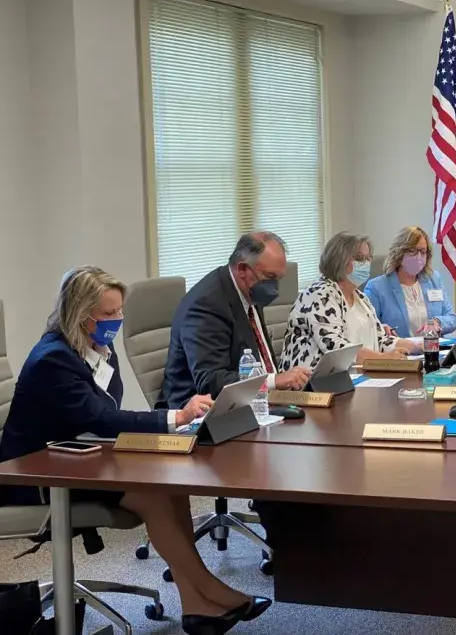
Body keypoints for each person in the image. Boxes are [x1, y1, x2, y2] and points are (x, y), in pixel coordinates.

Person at [0, 266, 269, 634]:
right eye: (108, 313)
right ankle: (210, 591)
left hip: (81, 457)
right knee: (152, 496)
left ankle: (196, 605)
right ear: (80, 314)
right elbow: (102, 418)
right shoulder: (54, 359)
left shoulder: (96, 347)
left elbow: (103, 415)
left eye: (119, 310)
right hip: (35, 476)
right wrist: (176, 417)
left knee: (171, 483)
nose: (117, 319)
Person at [160, 232, 312, 409]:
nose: (275, 288)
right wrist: (274, 380)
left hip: (255, 401)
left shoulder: (248, 289)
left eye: (279, 279)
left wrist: (279, 384)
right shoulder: (207, 305)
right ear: (242, 269)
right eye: (270, 277)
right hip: (199, 412)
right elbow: (210, 382)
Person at [282, 232, 418, 370]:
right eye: (359, 258)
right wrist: (383, 359)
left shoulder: (360, 297)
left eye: (368, 258)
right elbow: (336, 348)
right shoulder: (318, 294)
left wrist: (418, 346)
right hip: (311, 379)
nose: (366, 264)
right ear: (338, 260)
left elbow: (380, 339)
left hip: (358, 374)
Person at [363, 226, 456, 338]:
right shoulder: (376, 288)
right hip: (401, 347)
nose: (419, 257)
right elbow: (368, 328)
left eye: (423, 252)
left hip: (433, 347)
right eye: (412, 251)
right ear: (399, 253)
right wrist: (381, 329)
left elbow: (452, 319)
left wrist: (438, 321)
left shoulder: (433, 279)